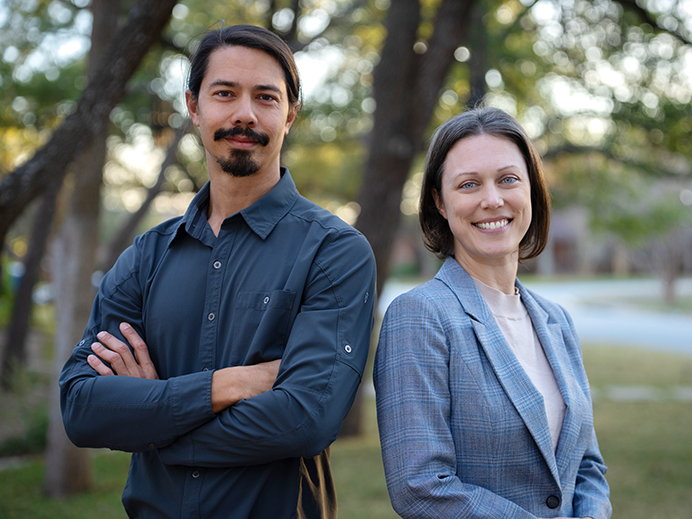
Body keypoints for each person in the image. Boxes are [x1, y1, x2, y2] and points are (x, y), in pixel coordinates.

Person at [60, 24, 376, 519]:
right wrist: (225, 386)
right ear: (194, 107)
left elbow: (306, 420)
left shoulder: (334, 252)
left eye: (265, 98)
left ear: (290, 114)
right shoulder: (145, 257)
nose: (244, 114)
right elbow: (81, 409)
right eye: (225, 94)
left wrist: (151, 417)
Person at [373, 107, 611, 519]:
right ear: (440, 202)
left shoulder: (556, 320)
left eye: (508, 179)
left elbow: (586, 465)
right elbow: (421, 487)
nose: (492, 199)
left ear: (531, 190)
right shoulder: (419, 316)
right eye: (468, 184)